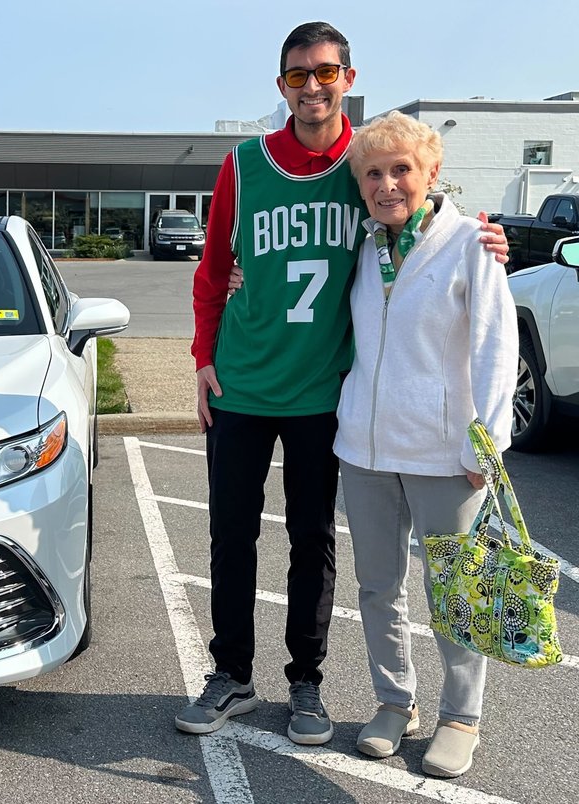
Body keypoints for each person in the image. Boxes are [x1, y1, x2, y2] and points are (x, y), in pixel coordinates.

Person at [177, 21, 509, 746]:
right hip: (241, 384)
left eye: (325, 72)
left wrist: (483, 236)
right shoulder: (244, 163)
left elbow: (422, 219)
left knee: (312, 541)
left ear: (347, 79)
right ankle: (230, 674)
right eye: (298, 75)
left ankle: (307, 684)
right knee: (230, 537)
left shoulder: (363, 166)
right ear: (282, 87)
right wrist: (203, 358)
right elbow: (211, 271)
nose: (312, 86)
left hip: (323, 395)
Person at [335, 111, 516, 777]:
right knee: (379, 587)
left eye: (401, 170)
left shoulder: (472, 243)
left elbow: (497, 346)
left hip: (447, 455)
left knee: (457, 594)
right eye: (374, 173)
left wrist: (484, 446)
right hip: (366, 450)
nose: (387, 184)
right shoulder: (361, 247)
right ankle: (394, 702)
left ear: (430, 173)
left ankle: (461, 716)